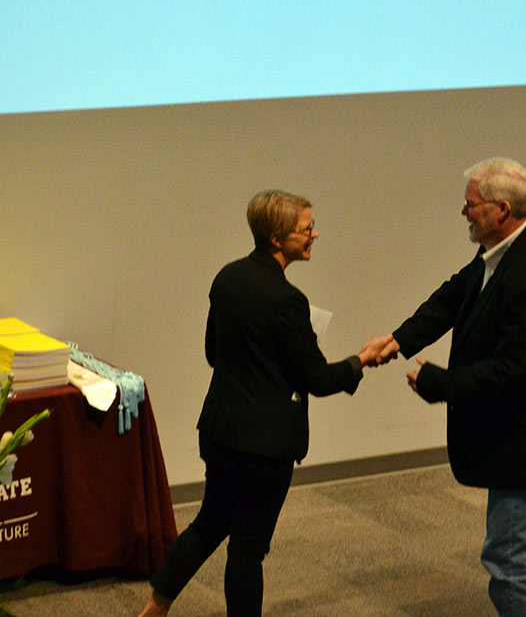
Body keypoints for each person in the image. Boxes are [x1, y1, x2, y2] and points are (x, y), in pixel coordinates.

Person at [363, 157, 526, 616]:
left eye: (471, 205)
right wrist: (401, 339)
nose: (464, 213)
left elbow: (512, 371)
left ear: (501, 209)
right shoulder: (515, 244)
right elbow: (458, 291)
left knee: (511, 562)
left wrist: (438, 382)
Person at [139, 190, 378, 617]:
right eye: (307, 229)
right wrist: (361, 361)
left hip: (220, 430)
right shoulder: (288, 301)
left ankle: (154, 609)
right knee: (248, 549)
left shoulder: (227, 277)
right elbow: (318, 379)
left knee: (210, 522)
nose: (315, 234)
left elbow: (214, 354)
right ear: (276, 238)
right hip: (263, 448)